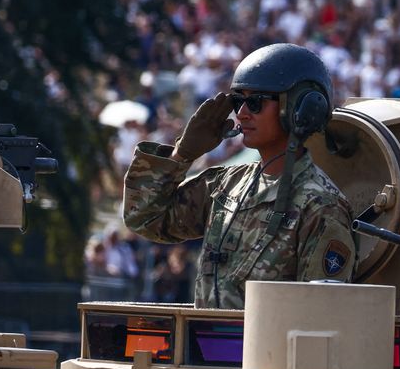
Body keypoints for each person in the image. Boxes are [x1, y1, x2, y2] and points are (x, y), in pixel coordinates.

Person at [123, 44, 356, 308]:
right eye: (238, 101)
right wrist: (182, 154)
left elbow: (321, 315)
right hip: (205, 346)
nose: (242, 113)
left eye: (255, 102)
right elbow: (144, 218)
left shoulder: (321, 206)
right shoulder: (224, 186)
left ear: (299, 109)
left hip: (270, 350)